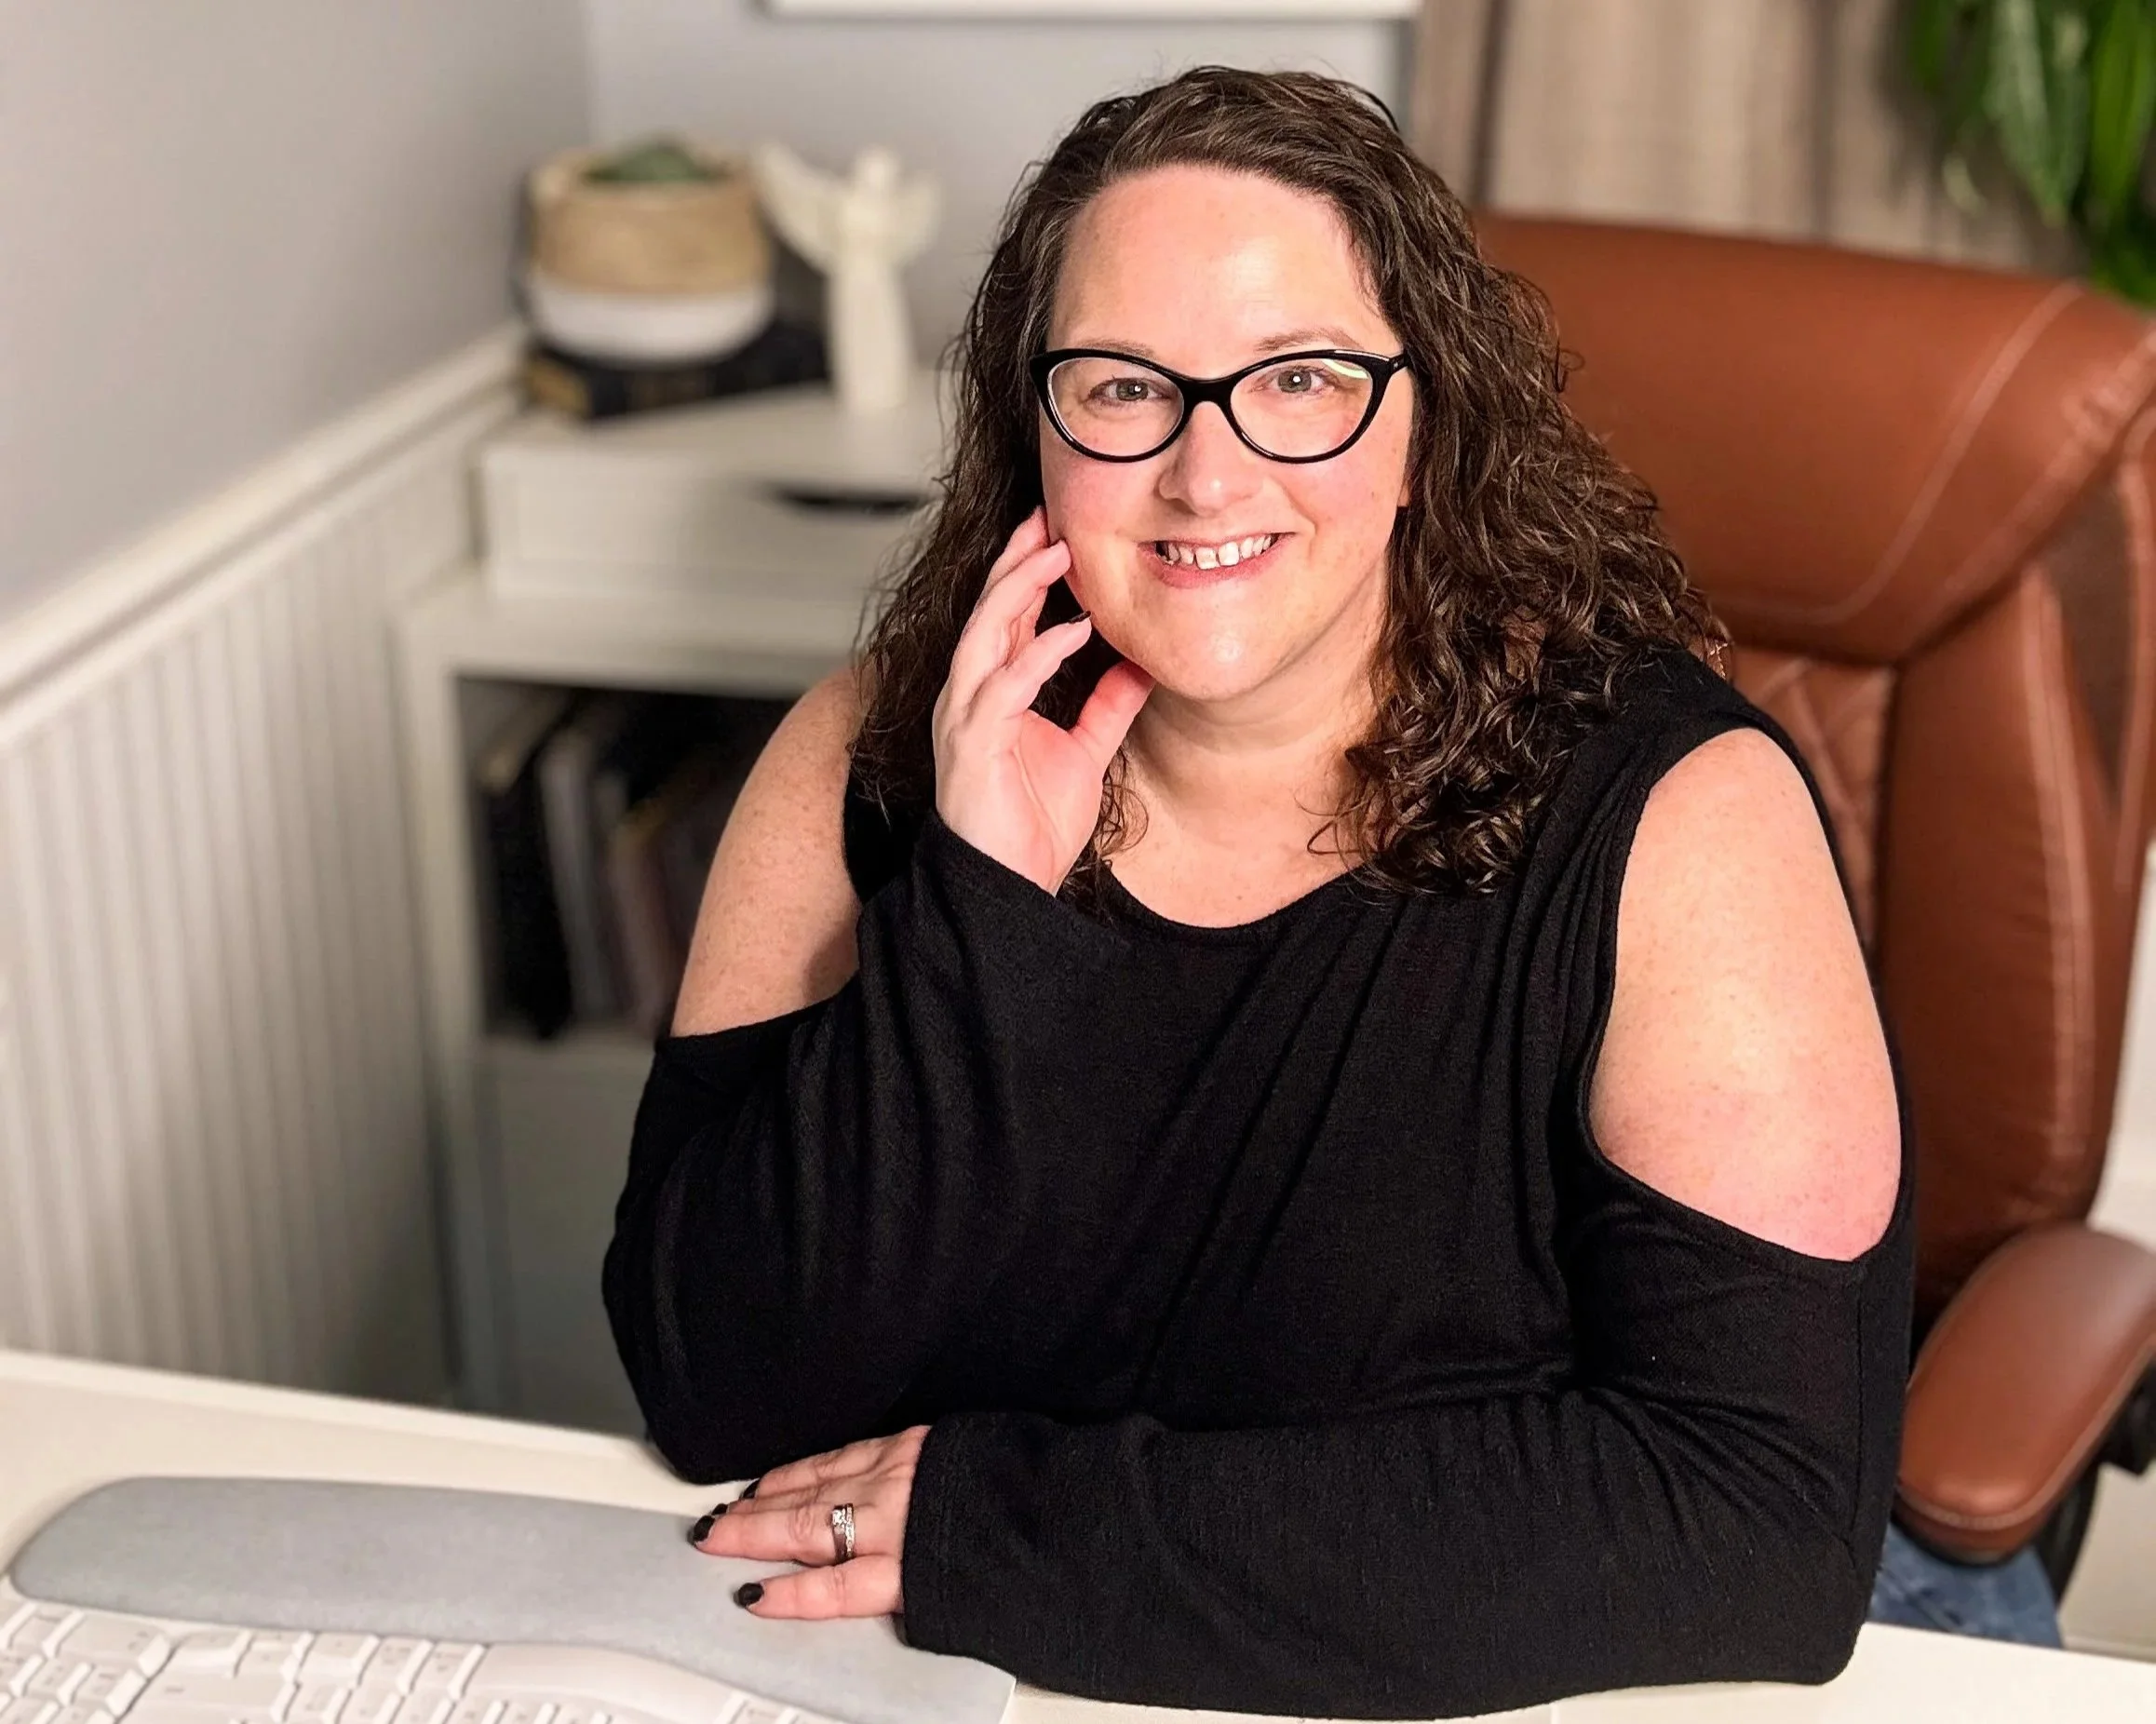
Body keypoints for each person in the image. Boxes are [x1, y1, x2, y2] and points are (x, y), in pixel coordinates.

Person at [605, 65, 1995, 1717]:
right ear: (1033, 427)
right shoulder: (876, 753)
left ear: (1426, 426)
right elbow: (719, 1390)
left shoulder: (1679, 812)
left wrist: (1024, 1530)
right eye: (1125, 387)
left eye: (1301, 380)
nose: (1206, 474)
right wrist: (982, 915)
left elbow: (1753, 1527)